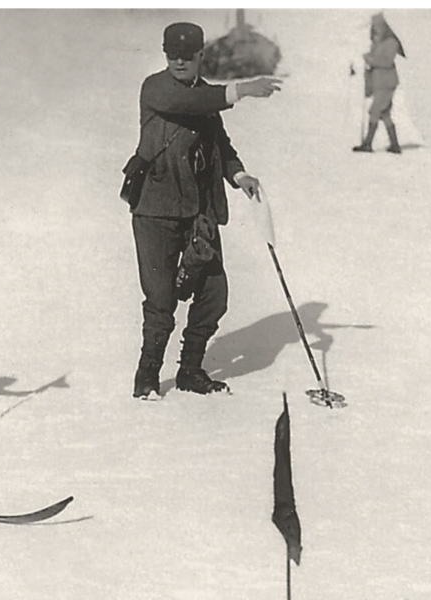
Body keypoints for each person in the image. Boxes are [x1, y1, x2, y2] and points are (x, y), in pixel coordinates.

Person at [130, 22, 281, 400]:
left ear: (200, 55)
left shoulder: (206, 96)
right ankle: (147, 378)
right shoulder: (156, 88)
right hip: (156, 211)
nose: (179, 61)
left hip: (199, 212)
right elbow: (189, 103)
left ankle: (190, 370)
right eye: (172, 54)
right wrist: (241, 89)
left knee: (214, 295)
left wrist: (239, 175)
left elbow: (220, 144)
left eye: (187, 55)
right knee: (161, 301)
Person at [353, 13, 406, 154]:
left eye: (378, 26)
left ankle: (368, 143)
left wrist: (370, 59)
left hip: (387, 82)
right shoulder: (377, 42)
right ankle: (394, 145)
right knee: (385, 113)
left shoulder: (391, 42)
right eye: (374, 27)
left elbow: (386, 62)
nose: (376, 29)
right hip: (379, 82)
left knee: (375, 111)